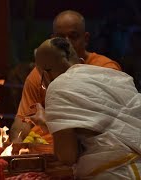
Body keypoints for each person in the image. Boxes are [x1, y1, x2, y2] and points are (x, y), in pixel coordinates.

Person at [32, 37, 141, 179]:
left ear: (46, 74)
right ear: (81, 63)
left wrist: (47, 122)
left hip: (115, 171)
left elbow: (67, 156)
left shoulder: (58, 86)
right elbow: (105, 124)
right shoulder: (114, 76)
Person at [10, 10, 122, 143]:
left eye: (73, 36)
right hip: (43, 150)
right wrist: (15, 150)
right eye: (61, 38)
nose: (67, 43)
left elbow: (102, 124)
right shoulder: (40, 73)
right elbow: (23, 120)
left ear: (85, 39)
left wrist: (50, 124)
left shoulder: (105, 69)